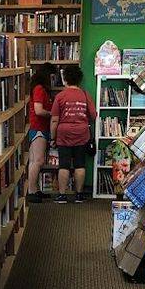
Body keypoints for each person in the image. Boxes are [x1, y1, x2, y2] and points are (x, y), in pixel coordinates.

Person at [50, 64, 97, 204]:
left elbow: (54, 120)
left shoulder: (60, 96)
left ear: (65, 79)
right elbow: (93, 116)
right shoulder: (85, 95)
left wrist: (53, 137)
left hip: (63, 133)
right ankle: (79, 195)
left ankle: (62, 195)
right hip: (82, 133)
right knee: (80, 164)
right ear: (79, 79)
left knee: (63, 165)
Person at [26, 63, 56, 203]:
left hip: (40, 127)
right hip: (38, 127)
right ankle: (31, 191)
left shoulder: (40, 89)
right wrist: (52, 114)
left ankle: (35, 188)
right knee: (36, 161)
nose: (54, 80)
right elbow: (38, 110)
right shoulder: (39, 89)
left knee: (37, 161)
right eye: (52, 77)